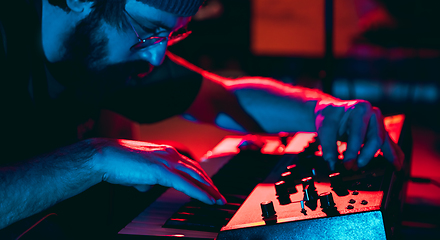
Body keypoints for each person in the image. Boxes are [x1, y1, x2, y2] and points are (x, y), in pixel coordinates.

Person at [0, 0, 404, 234]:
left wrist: (325, 110)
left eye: (171, 35)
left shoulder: (105, 51)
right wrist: (92, 158)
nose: (157, 57)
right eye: (148, 30)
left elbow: (225, 99)